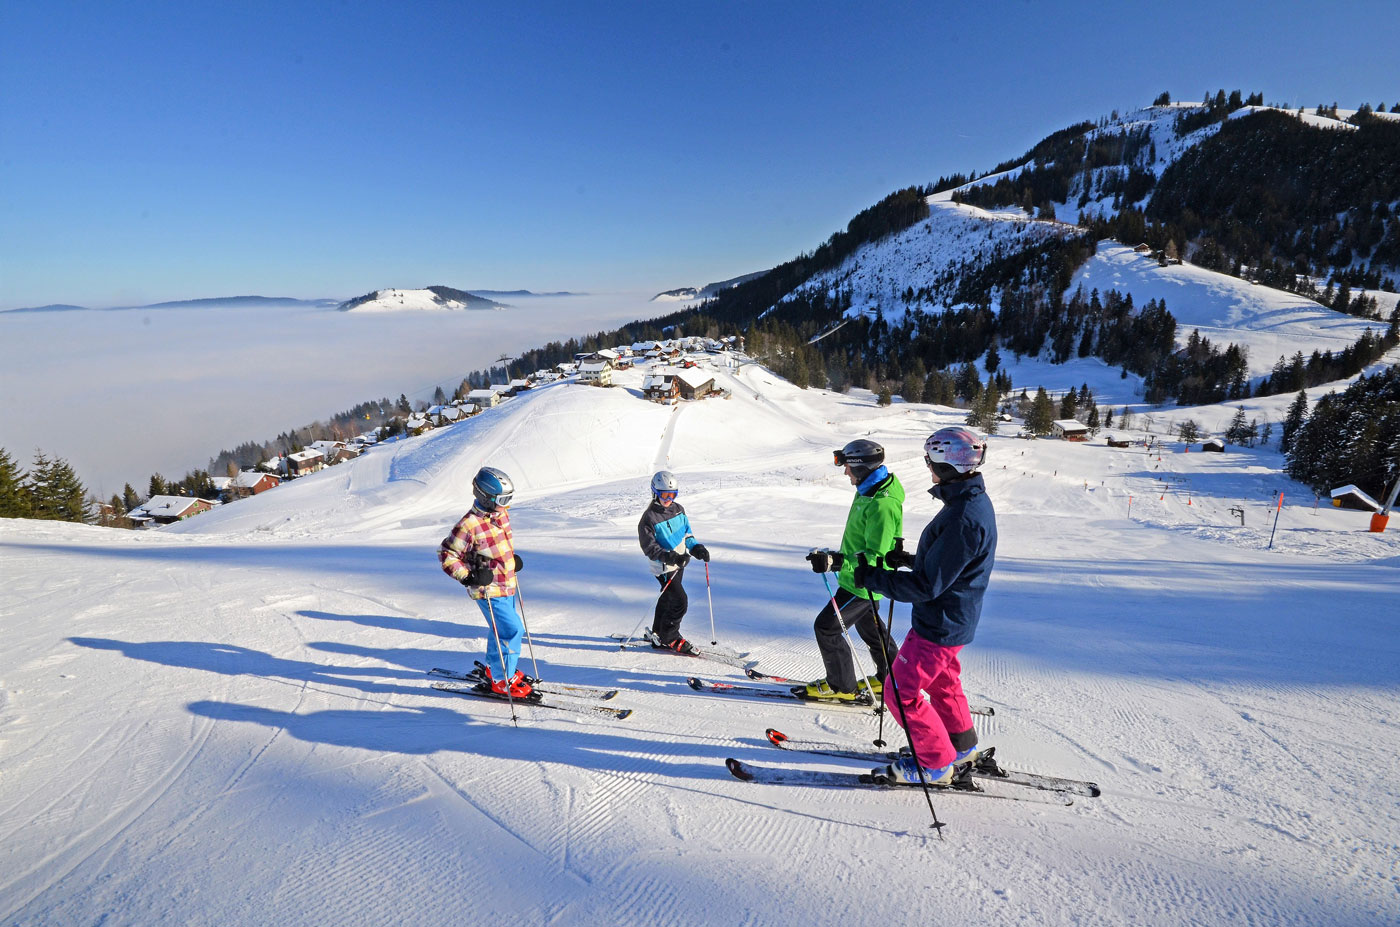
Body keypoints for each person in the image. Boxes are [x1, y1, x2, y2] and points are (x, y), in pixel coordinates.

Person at [854, 427, 997, 786]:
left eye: (930, 460)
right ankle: (961, 747)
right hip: (954, 619)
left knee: (899, 691)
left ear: (945, 463)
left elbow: (927, 586)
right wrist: (911, 559)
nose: (927, 466)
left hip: (940, 623)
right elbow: (948, 565)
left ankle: (935, 764)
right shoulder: (970, 503)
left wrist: (872, 578)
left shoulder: (962, 517)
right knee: (944, 684)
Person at [801, 439, 902, 702]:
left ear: (861, 467)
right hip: (857, 577)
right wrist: (835, 556)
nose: (845, 471)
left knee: (826, 627)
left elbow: (876, 556)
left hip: (864, 580)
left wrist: (836, 562)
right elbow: (861, 543)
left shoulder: (882, 503)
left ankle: (841, 686)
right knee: (872, 630)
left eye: (847, 466)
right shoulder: (868, 490)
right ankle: (893, 680)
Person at [438, 466, 531, 698]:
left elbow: (496, 547)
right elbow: (447, 555)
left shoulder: (501, 515)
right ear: (486, 498)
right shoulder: (468, 525)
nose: (507, 504)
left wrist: (510, 560)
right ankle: (501, 679)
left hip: (507, 583)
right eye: (503, 499)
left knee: (500, 630)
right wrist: (468, 577)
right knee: (512, 630)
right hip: (487, 589)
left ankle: (494, 668)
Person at [637, 470, 710, 654]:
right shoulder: (649, 518)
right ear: (655, 493)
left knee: (667, 597)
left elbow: (687, 535)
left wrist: (696, 548)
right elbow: (650, 548)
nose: (669, 499)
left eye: (672, 494)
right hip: (663, 567)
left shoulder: (679, 510)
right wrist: (671, 557)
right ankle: (670, 636)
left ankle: (658, 631)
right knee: (680, 601)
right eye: (664, 495)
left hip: (679, 564)